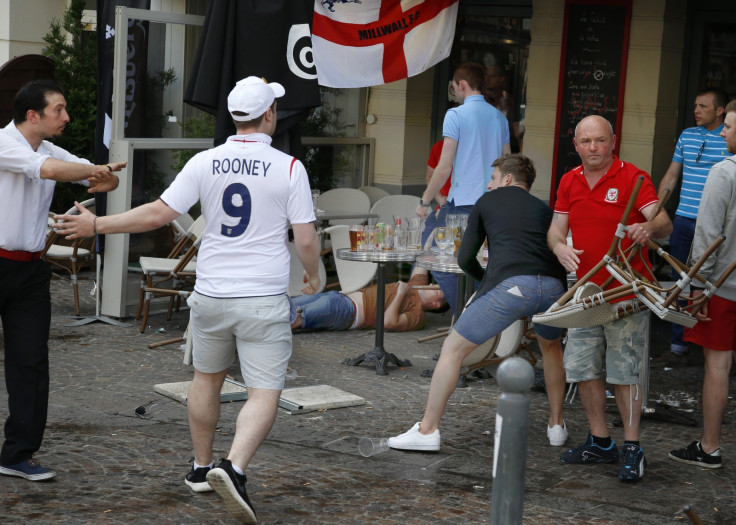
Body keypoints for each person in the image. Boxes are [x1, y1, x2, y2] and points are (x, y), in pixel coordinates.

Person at [54, 76, 321, 524]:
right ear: (269, 114)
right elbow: (307, 239)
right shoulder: (290, 167)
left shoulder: (206, 161)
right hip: (261, 297)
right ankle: (233, 470)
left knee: (206, 379)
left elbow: (158, 214)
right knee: (264, 391)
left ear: (234, 117)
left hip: (211, 293)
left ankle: (200, 468)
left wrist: (97, 226)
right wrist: (315, 274)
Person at [390, 154, 569, 451]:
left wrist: (485, 281)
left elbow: (465, 258)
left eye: (494, 177)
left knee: (452, 349)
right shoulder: (545, 209)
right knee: (551, 349)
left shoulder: (487, 202)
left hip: (513, 286)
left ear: (507, 179)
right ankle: (556, 425)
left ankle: (427, 430)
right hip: (553, 288)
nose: (489, 184)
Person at [0, 80, 122, 482]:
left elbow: (95, 179)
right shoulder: (4, 144)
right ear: (32, 115)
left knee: (31, 362)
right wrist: (95, 171)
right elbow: (54, 171)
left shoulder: (50, 148)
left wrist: (105, 179)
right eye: (59, 110)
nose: (66, 117)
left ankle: (17, 454)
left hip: (31, 272)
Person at [547, 115, 672, 482]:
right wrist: (559, 249)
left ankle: (632, 446)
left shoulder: (633, 177)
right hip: (586, 292)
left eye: (600, 140)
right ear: (576, 145)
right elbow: (556, 230)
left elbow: (664, 222)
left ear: (613, 141)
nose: (593, 148)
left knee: (625, 371)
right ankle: (601, 442)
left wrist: (648, 227)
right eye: (586, 142)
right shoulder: (569, 181)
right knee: (582, 367)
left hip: (627, 290)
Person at [669, 98, 736, 469]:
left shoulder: (724, 172)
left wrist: (696, 286)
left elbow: (709, 236)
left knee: (717, 366)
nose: (723, 132)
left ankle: (710, 447)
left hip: (724, 288)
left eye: (728, 126)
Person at [416, 62, 511, 316]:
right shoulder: (499, 118)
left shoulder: (455, 115)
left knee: (432, 258)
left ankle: (469, 320)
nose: (454, 93)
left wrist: (425, 202)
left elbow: (444, 165)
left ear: (462, 84)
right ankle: (481, 317)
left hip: (463, 203)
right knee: (478, 263)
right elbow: (508, 163)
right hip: (495, 203)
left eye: (454, 88)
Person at [654, 88, 729, 366]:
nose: (696, 110)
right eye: (695, 105)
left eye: (703, 106)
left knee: (715, 283)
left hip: (716, 226)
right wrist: (659, 209)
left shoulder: (729, 138)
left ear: (720, 110)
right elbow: (672, 175)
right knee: (681, 282)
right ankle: (678, 345)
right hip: (684, 220)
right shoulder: (687, 135)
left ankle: (714, 345)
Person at [291, 267, 445, 333]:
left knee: (295, 319)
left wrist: (400, 294)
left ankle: (268, 338)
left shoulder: (418, 315)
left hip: (347, 312)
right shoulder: (416, 285)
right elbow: (423, 260)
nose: (431, 284)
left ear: (436, 303)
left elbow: (389, 323)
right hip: (338, 297)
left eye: (436, 288)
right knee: (287, 306)